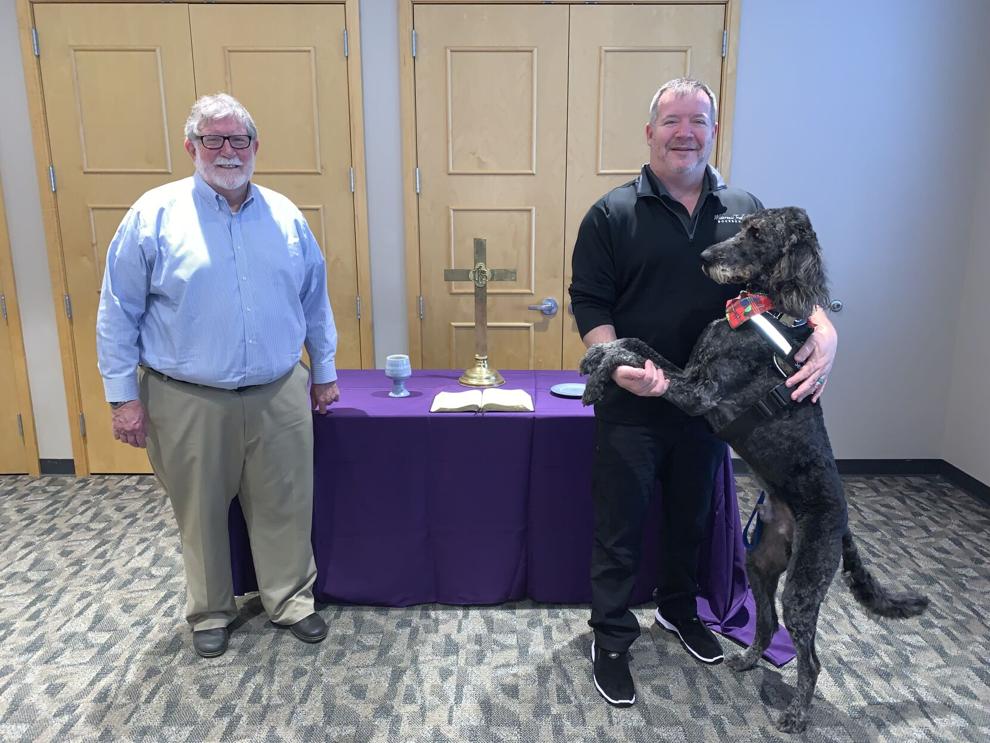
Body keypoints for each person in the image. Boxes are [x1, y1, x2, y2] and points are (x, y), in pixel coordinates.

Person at [568, 78, 837, 707]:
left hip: (716, 409)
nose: (684, 132)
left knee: (691, 520)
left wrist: (826, 331)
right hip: (634, 401)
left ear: (713, 131)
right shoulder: (611, 213)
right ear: (650, 132)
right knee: (620, 528)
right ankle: (609, 639)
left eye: (698, 120)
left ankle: (679, 611)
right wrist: (613, 365)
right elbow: (591, 305)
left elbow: (788, 280)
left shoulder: (745, 208)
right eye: (671, 120)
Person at [96, 93, 341, 658]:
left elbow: (314, 301)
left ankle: (290, 601)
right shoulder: (152, 216)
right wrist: (121, 398)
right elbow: (117, 312)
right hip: (186, 397)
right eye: (214, 140)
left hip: (279, 391)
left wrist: (323, 370)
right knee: (200, 510)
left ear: (256, 147)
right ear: (192, 147)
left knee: (285, 502)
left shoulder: (285, 216)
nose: (227, 151)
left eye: (239, 140)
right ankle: (210, 610)